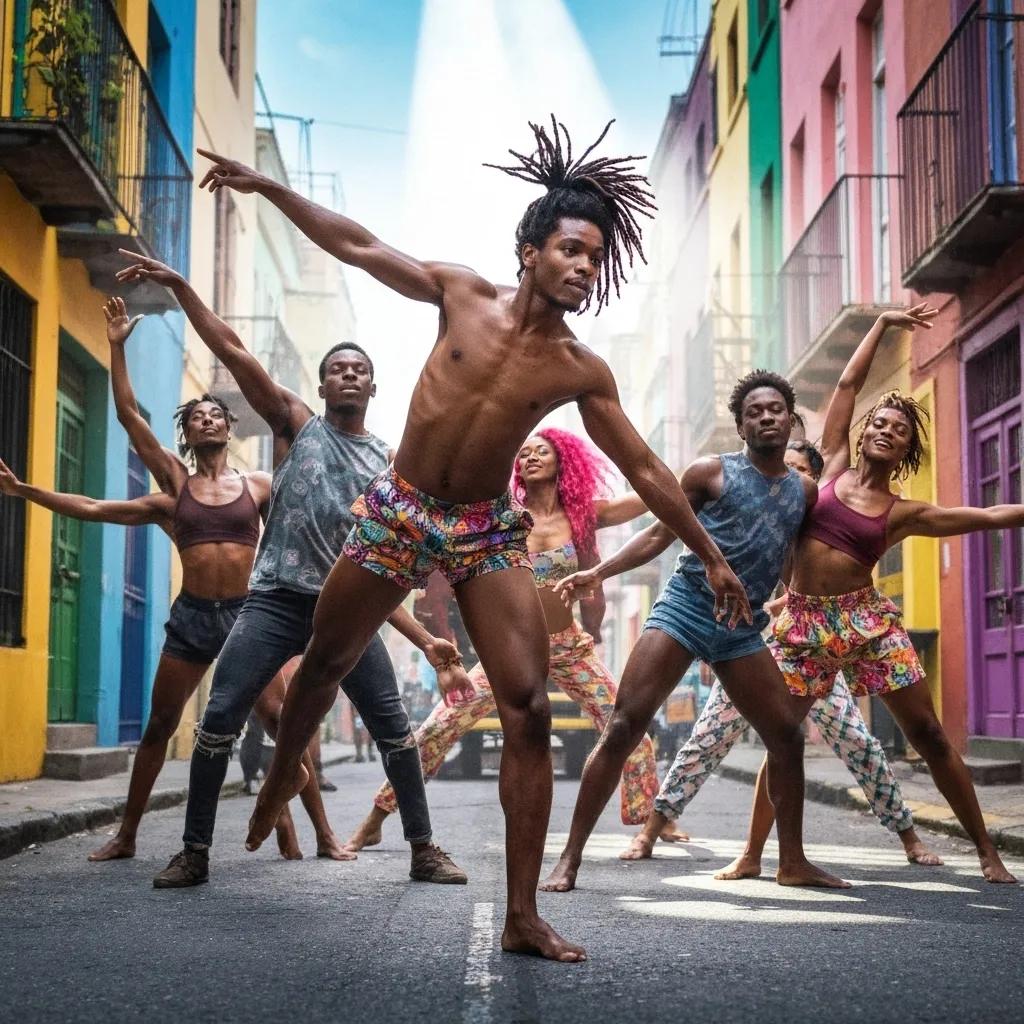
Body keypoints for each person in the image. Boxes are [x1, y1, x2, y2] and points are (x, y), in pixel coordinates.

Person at [194, 118, 752, 963]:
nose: (582, 267)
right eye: (570, 248)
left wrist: (709, 554)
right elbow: (357, 244)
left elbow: (641, 465)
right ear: (530, 249)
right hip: (400, 506)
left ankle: (522, 915)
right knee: (326, 662)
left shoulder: (578, 368)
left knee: (526, 710)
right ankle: (281, 772)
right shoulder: (460, 293)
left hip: (486, 530)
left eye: (595, 258)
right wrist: (270, 188)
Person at [113, 254, 469, 890]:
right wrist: (183, 288)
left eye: (359, 369)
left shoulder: (390, 468)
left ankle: (424, 848)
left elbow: (386, 570)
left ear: (372, 387)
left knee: (392, 726)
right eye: (337, 370)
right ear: (324, 387)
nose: (348, 375)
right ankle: (194, 852)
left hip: (349, 614)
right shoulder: (297, 426)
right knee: (220, 713)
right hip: (275, 602)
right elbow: (234, 349)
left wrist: (425, 638)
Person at [0, 297, 342, 862]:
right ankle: (128, 835)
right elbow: (108, 465)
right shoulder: (172, 489)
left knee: (283, 721)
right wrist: (27, 491)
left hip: (246, 620)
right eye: (196, 417)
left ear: (229, 428)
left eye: (215, 415)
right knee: (159, 725)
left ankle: (318, 833)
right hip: (191, 621)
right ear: (185, 434)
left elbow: (307, 519)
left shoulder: (257, 486)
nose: (207, 419)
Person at [727, 304, 1018, 884]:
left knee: (930, 735)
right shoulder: (829, 464)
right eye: (880, 423)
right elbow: (847, 383)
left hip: (868, 623)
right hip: (804, 623)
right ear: (863, 434)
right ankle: (756, 854)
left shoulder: (904, 512)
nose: (886, 429)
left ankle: (987, 850)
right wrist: (883, 325)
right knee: (783, 738)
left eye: (900, 428)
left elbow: (984, 514)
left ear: (907, 448)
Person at [541, 370, 851, 893]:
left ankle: (792, 861)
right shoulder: (710, 473)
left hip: (742, 628)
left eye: (775, 409)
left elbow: (789, 560)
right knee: (623, 726)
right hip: (685, 610)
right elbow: (661, 532)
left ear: (791, 418)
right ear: (740, 426)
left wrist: (801, 608)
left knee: (786, 737)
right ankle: (569, 857)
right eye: (754, 412)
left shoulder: (804, 491)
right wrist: (600, 572)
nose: (767, 417)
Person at [343, 428, 677, 854]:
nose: (530, 457)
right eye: (522, 453)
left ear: (563, 462)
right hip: (515, 648)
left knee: (628, 726)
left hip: (568, 646)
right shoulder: (503, 514)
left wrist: (687, 479)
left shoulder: (583, 514)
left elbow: (651, 497)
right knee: (439, 726)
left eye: (542, 451)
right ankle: (376, 817)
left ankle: (652, 822)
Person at [621, 438, 941, 869]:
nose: (785, 478)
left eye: (800, 471)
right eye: (783, 466)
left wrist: (790, 602)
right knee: (708, 737)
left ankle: (908, 836)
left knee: (857, 741)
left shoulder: (815, 524)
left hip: (813, 651)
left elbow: (816, 585)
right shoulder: (754, 521)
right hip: (751, 650)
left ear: (811, 482)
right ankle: (651, 830)